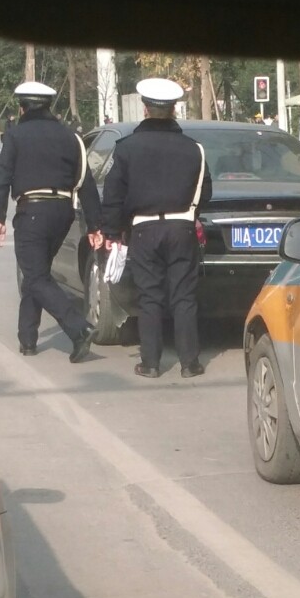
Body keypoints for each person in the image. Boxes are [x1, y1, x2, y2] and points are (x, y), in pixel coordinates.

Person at [100, 77, 212, 379]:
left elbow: (113, 194)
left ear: (145, 109)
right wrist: (190, 213)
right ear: (174, 110)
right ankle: (190, 363)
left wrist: (112, 232)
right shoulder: (194, 149)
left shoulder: (126, 148)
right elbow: (205, 192)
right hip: (183, 228)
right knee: (184, 296)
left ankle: (150, 363)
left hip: (144, 230)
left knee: (149, 297)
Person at [0, 80, 99, 361]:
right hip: (63, 211)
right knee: (36, 273)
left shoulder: (15, 135)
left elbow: (0, 177)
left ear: (21, 107)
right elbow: (85, 181)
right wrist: (95, 224)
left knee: (36, 275)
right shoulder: (71, 136)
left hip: (33, 212)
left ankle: (79, 328)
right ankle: (27, 339)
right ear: (49, 106)